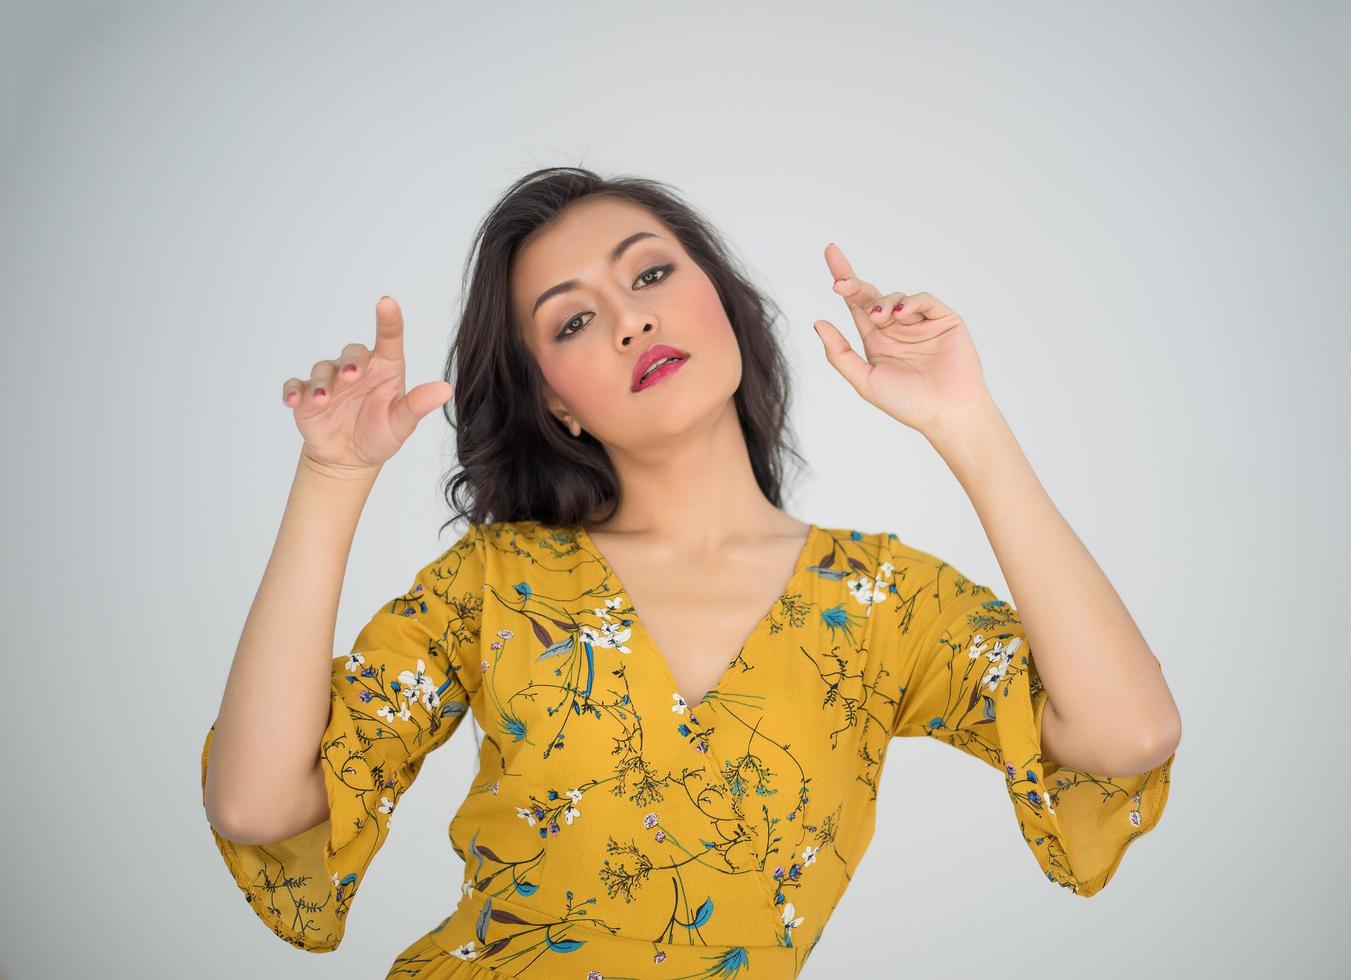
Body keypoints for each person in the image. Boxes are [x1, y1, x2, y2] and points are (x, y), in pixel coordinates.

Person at [200, 167, 1180, 977]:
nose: (628, 321)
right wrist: (332, 477)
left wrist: (966, 424)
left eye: (651, 274)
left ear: (720, 299)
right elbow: (259, 805)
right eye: (570, 322)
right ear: (557, 405)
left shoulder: (880, 601)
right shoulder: (493, 586)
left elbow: (1125, 733)